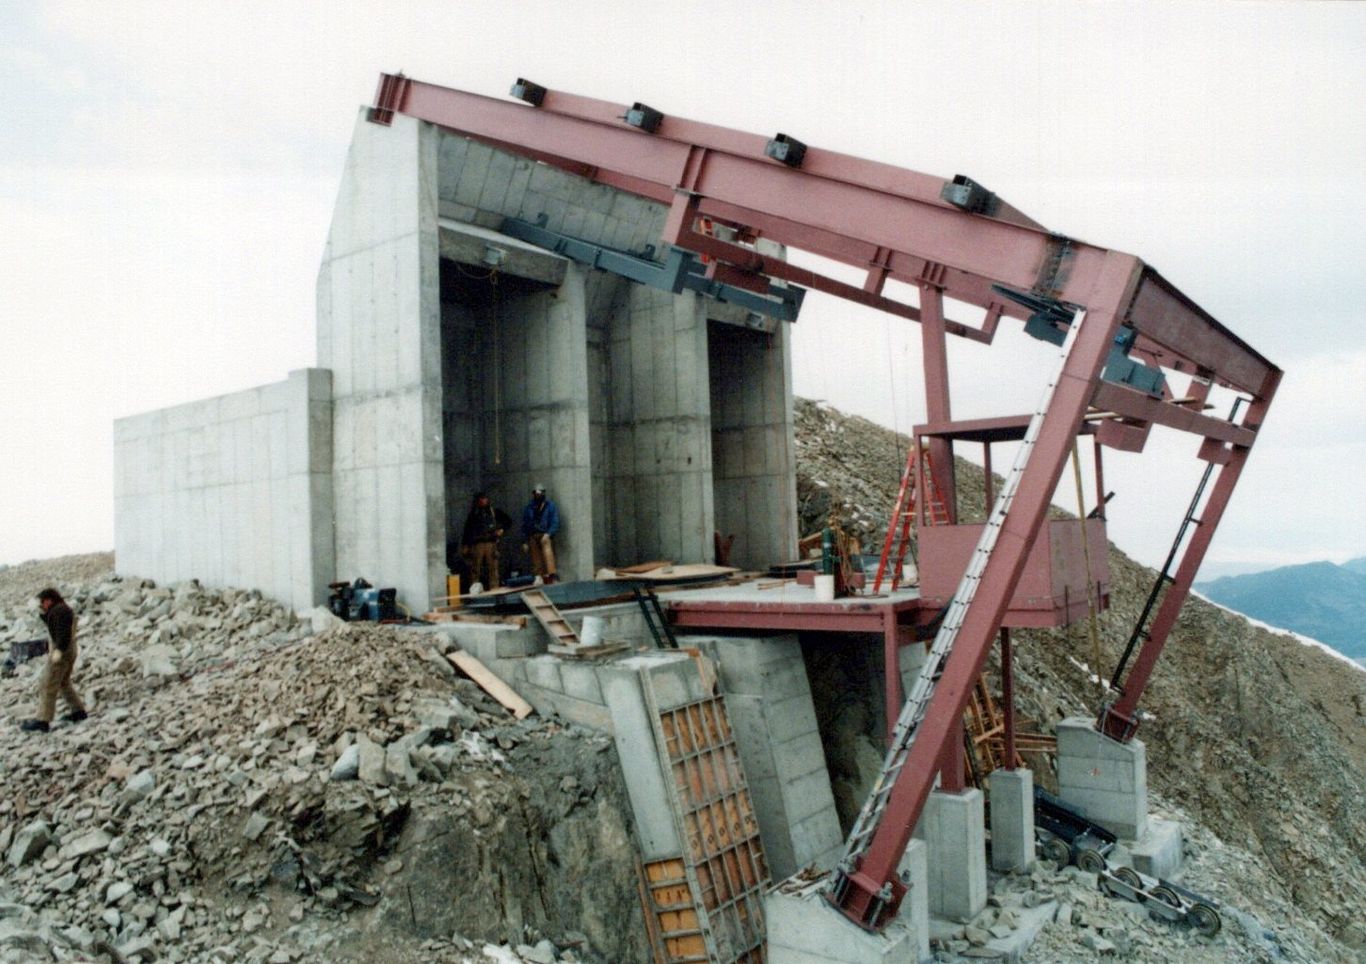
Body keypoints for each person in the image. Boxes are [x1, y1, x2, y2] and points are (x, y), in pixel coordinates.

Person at [20, 588, 87, 733]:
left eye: (42, 602)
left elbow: (62, 633)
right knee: (64, 683)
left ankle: (43, 720)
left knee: (48, 685)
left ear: (49, 600)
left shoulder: (59, 611)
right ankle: (78, 711)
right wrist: (43, 615)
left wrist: (59, 651)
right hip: (70, 650)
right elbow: (58, 627)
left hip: (61, 651)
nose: (41, 605)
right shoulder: (61, 609)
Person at [461, 492, 511, 591]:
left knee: (493, 568)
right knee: (475, 568)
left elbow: (508, 521)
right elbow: (467, 530)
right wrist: (465, 545)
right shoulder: (473, 514)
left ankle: (494, 589)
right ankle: (474, 589)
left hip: (491, 543)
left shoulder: (494, 512)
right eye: (481, 499)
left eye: (485, 498)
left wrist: (502, 530)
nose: (483, 501)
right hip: (477, 544)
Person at [521, 484, 561, 583]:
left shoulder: (550, 505)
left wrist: (549, 533)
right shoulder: (529, 507)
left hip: (545, 534)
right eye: (536, 493)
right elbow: (525, 525)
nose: (537, 495)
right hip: (533, 534)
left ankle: (552, 574)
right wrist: (525, 541)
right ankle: (538, 576)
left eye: (539, 493)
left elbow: (554, 521)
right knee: (535, 557)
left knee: (548, 554)